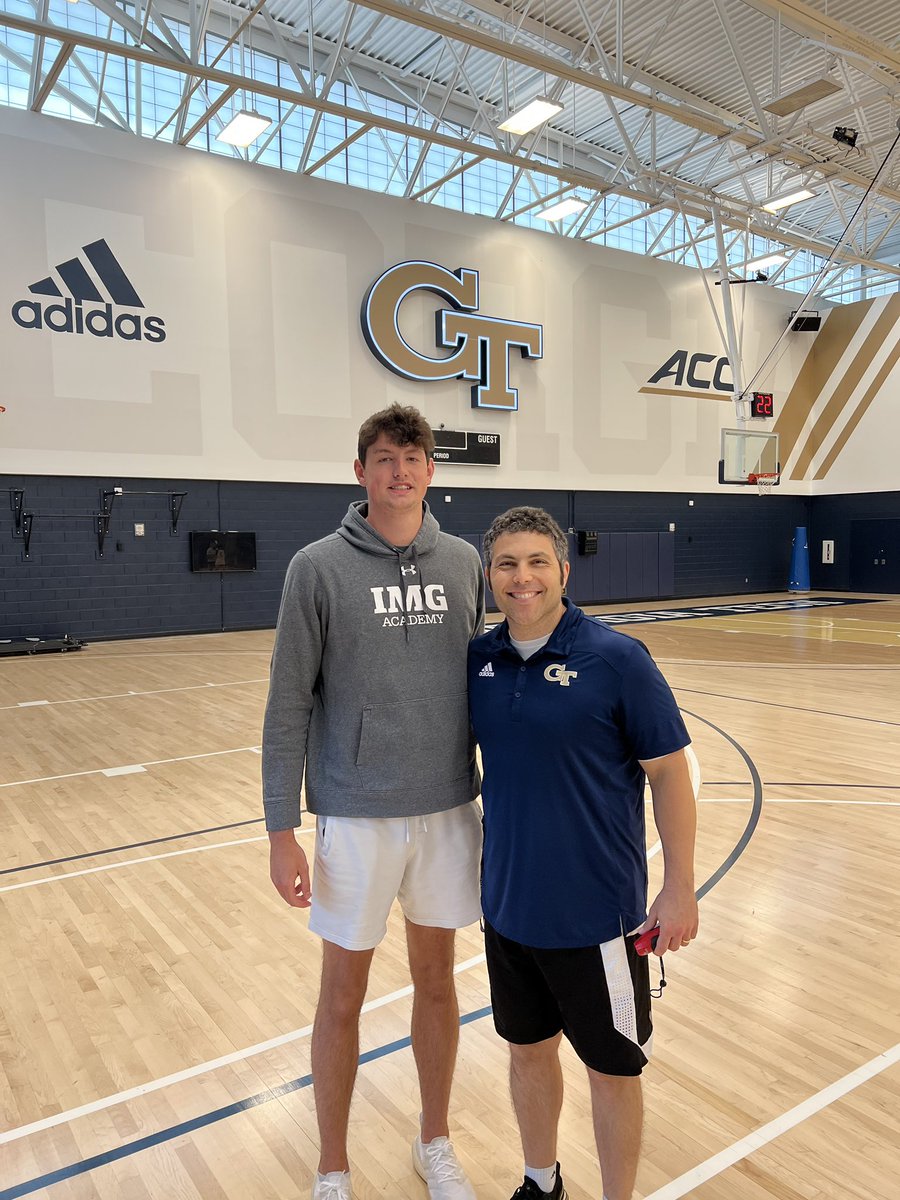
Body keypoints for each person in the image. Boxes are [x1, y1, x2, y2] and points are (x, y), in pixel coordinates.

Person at [263, 405, 485, 1200]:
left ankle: (435, 1141)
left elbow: (485, 686)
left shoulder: (465, 562)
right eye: (383, 458)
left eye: (413, 457)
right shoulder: (316, 568)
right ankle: (332, 1166)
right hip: (355, 815)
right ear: (360, 471)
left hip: (448, 810)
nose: (399, 471)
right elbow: (288, 703)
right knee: (341, 994)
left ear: (431, 470)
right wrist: (281, 830)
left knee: (437, 982)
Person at [468, 507, 698, 1200]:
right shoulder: (479, 659)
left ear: (563, 571)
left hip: (598, 920)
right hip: (507, 911)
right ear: (490, 576)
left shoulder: (618, 659)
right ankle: (542, 1182)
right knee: (527, 1052)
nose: (523, 576)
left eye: (537, 561)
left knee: (612, 1071)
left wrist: (680, 886)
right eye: (507, 564)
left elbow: (670, 774)